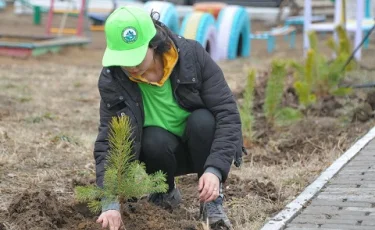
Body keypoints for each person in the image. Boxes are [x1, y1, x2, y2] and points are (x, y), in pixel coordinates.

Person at [93, 5, 243, 230]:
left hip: (202, 147)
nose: (130, 66)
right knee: (152, 137)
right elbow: (109, 140)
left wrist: (215, 170)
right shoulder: (113, 80)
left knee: (203, 120)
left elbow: (227, 113)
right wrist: (110, 202)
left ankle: (212, 202)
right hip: (159, 154)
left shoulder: (191, 56)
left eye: (136, 56)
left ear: (153, 43)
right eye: (124, 59)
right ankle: (165, 193)